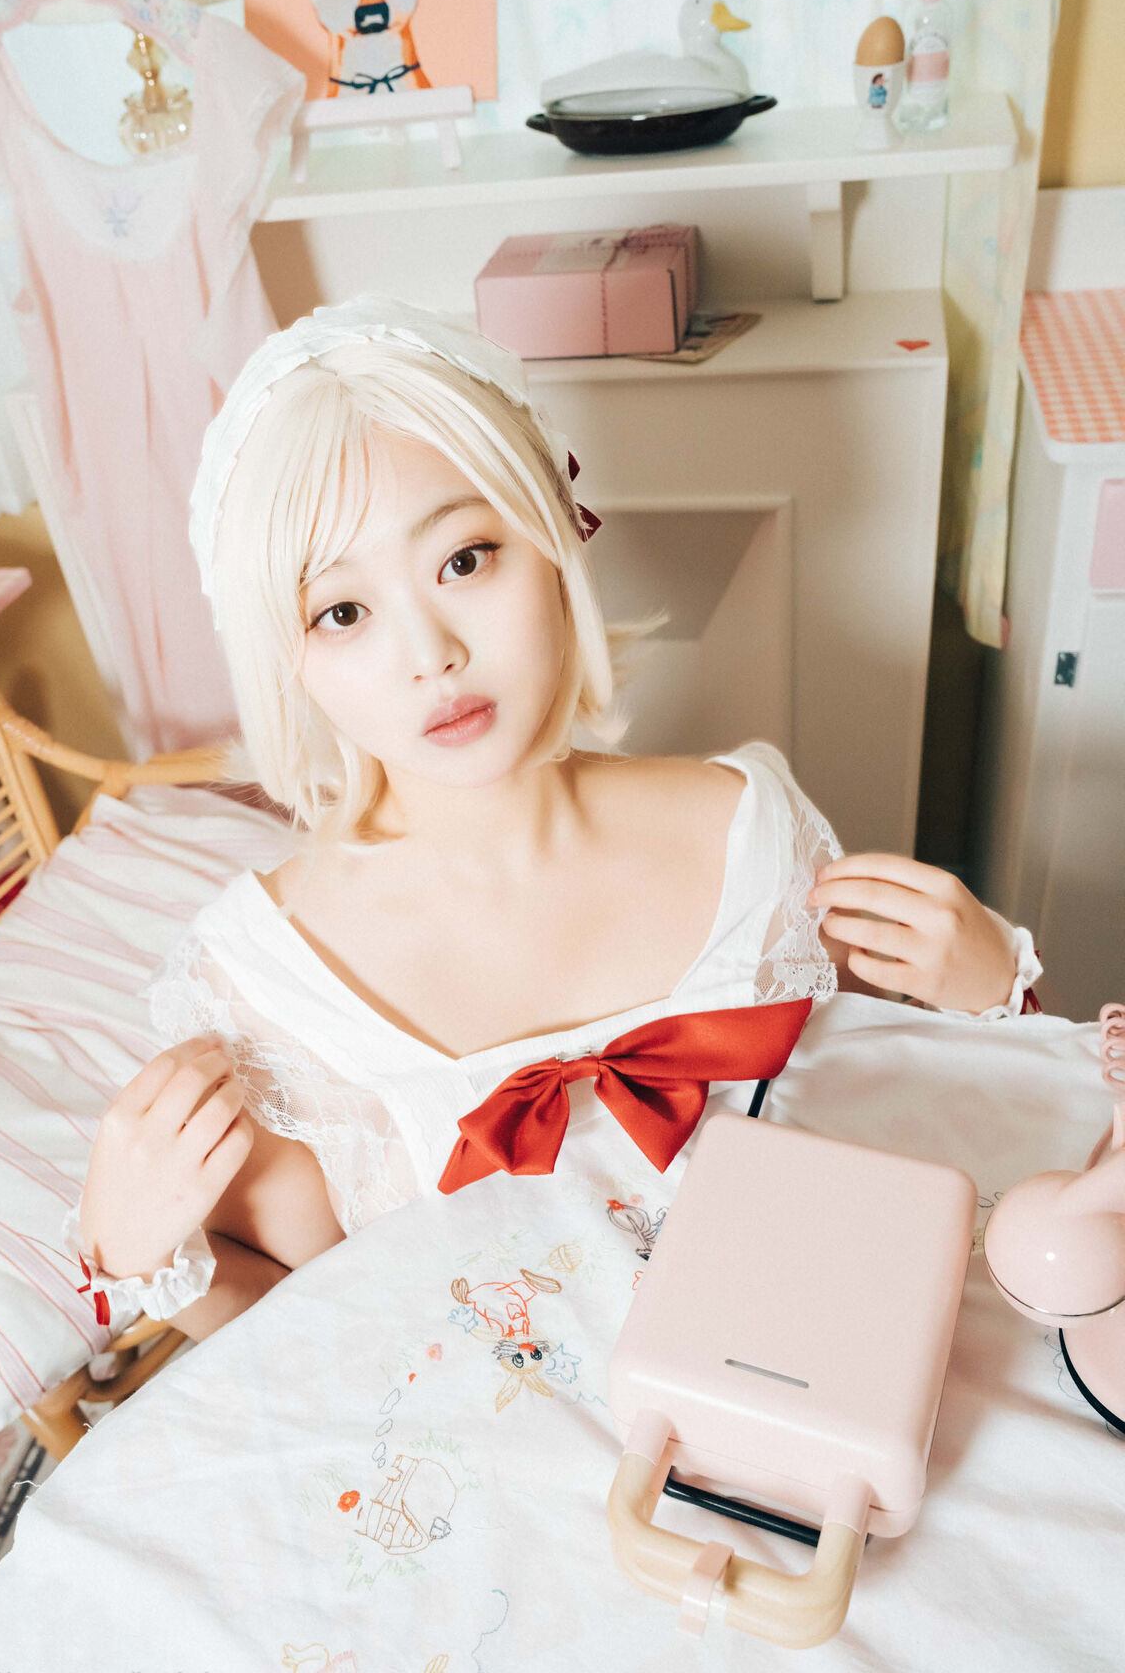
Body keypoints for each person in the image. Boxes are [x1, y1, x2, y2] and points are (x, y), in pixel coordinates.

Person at [64, 296, 1042, 1341]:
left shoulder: (748, 833)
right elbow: (310, 1347)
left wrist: (1001, 996)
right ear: (287, 660)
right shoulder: (268, 992)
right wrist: (129, 1259)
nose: (431, 654)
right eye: (342, 612)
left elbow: (921, 1139)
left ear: (556, 535)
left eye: (465, 559)